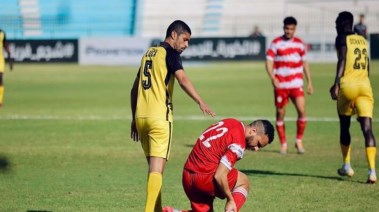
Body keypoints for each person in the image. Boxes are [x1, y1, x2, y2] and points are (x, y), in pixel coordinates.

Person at [130, 20, 216, 212]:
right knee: (157, 171)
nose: (186, 45)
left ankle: (157, 210)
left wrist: (133, 119)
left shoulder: (148, 53)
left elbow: (133, 90)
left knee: (154, 171)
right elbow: (183, 78)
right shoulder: (171, 53)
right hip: (160, 118)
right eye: (185, 39)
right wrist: (200, 100)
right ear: (173, 35)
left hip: (141, 118)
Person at [164, 118, 274, 212]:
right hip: (205, 177)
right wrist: (230, 199)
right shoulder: (238, 144)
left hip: (187, 175)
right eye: (258, 144)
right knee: (243, 181)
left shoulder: (231, 122)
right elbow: (219, 175)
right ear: (253, 131)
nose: (256, 149)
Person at [330, 11, 376, 184]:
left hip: (347, 86)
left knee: (345, 126)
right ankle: (372, 171)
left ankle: (347, 165)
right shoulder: (363, 40)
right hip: (365, 86)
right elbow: (368, 66)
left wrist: (336, 83)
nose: (335, 26)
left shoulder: (342, 38)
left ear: (343, 24)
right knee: (367, 129)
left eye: (337, 23)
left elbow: (342, 59)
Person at [265, 16, 313, 154]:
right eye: (287, 28)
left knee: (302, 110)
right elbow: (268, 62)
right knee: (280, 113)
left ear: (295, 29)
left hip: (296, 83)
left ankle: (298, 141)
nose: (289, 31)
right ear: (283, 28)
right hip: (281, 85)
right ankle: (284, 144)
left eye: (291, 29)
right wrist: (272, 77)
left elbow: (305, 63)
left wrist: (309, 81)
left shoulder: (299, 44)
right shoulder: (276, 43)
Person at [0, 28, 13, 107]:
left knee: (0, 79)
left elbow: (6, 46)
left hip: (0, 60)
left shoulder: (2, 33)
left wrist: (10, 60)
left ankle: (0, 101)